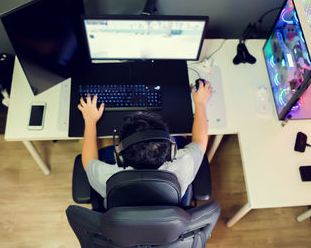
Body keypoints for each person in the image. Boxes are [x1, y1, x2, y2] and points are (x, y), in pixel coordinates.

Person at [77, 80, 212, 209]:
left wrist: (90, 121)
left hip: (122, 221)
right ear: (171, 150)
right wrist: (200, 104)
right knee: (182, 139)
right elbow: (200, 142)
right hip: (164, 222)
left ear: (120, 157)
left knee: (102, 152)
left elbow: (88, 161)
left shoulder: (107, 178)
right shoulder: (183, 165)